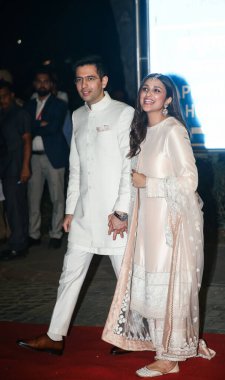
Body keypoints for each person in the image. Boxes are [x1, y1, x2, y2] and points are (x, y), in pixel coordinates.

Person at [17, 55, 134, 355]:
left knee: (126, 280)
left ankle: (131, 335)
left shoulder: (124, 113)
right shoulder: (77, 116)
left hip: (115, 216)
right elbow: (76, 167)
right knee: (69, 274)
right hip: (83, 215)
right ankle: (55, 336)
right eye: (79, 80)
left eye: (90, 78)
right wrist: (70, 210)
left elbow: (128, 167)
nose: (84, 85)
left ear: (104, 81)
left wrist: (122, 211)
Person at [102, 73, 215, 377]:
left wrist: (149, 183)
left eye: (156, 90)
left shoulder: (173, 131)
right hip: (146, 223)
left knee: (167, 287)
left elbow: (190, 181)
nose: (148, 93)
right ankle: (162, 347)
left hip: (169, 225)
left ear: (167, 100)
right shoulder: (142, 132)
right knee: (151, 287)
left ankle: (170, 358)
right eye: (145, 88)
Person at [25, 68, 69, 249]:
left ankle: (56, 233)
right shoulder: (28, 105)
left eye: (46, 81)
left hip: (54, 157)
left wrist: (35, 126)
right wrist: (40, 124)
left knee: (57, 197)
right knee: (33, 198)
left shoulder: (59, 104)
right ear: (35, 84)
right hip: (33, 158)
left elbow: (53, 128)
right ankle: (33, 234)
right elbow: (26, 128)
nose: (42, 84)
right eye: (39, 81)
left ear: (50, 84)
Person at [0, 80, 32, 260]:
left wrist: (25, 167)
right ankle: (16, 242)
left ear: (11, 95)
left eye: (4, 96)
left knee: (16, 207)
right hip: (5, 166)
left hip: (17, 166)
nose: (2, 100)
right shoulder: (2, 114)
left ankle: (19, 245)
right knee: (11, 207)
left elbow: (27, 140)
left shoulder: (20, 114)